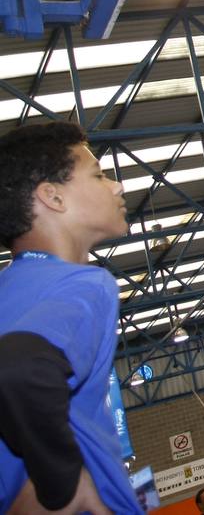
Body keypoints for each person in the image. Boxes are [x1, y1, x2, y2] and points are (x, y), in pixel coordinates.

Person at [0, 121, 141, 514]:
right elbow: (18, 367)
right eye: (98, 175)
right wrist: (60, 486)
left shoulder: (9, 291)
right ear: (53, 197)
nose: (117, 186)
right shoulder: (86, 284)